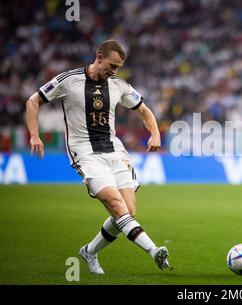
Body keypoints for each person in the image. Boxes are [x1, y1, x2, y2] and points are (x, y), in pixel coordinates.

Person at [25, 40, 171, 274]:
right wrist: (34, 135)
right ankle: (154, 250)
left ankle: (89, 252)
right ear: (99, 57)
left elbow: (144, 109)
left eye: (118, 67)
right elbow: (34, 101)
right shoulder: (68, 80)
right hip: (85, 152)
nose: (114, 72)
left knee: (128, 212)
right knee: (116, 205)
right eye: (112, 66)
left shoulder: (118, 85)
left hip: (114, 150)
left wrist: (155, 133)